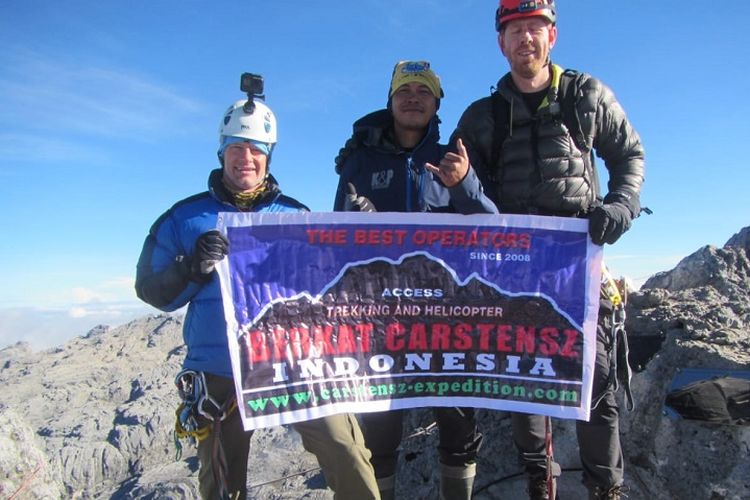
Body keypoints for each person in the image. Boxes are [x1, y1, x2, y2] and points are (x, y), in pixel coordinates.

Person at [135, 86, 380, 500]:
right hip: (220, 367)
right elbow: (151, 290)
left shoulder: (297, 216)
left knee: (347, 452)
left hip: (295, 359)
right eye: (236, 147)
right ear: (221, 152)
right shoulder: (184, 217)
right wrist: (190, 269)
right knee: (223, 486)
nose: (245, 157)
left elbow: (334, 282)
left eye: (255, 148)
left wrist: (363, 234)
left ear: (268, 155)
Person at [444, 1, 646, 499]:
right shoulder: (482, 117)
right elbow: (456, 184)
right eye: (514, 31)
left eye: (535, 28)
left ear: (552, 37)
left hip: (579, 263)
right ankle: (540, 477)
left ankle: (606, 487)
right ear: (501, 43)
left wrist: (620, 205)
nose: (525, 39)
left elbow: (629, 155)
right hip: (511, 272)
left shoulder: (586, 95)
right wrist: (459, 182)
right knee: (524, 379)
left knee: (594, 379)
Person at [333, 61, 496, 500]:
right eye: (404, 90)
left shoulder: (451, 159)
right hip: (381, 320)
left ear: (436, 103)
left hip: (448, 316)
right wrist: (355, 225)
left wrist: (463, 186)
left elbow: (494, 230)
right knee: (379, 434)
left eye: (423, 91)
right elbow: (334, 244)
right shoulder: (359, 163)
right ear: (390, 100)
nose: (412, 98)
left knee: (460, 425)